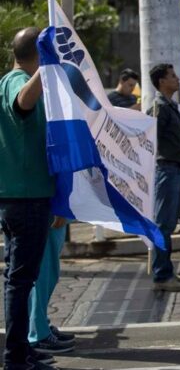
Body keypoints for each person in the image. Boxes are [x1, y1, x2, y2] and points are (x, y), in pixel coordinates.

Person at [0, 26, 60, 370]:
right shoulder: (15, 80)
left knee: (21, 279)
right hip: (26, 199)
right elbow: (23, 101)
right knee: (20, 281)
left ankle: (20, 349)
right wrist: (45, 66)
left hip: (25, 198)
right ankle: (15, 358)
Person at [147, 64, 180, 293]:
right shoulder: (159, 107)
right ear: (162, 81)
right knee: (162, 225)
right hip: (166, 170)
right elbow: (150, 137)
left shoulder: (169, 106)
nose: (177, 79)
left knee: (168, 224)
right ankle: (162, 276)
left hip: (175, 170)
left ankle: (166, 270)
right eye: (173, 76)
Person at [29, 223, 75, 355]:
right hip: (41, 208)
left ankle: (38, 327)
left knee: (42, 271)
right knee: (43, 272)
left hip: (36, 208)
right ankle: (38, 333)